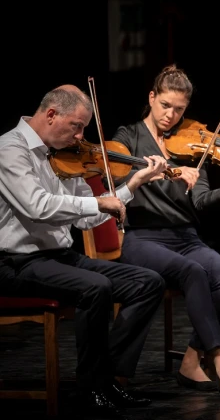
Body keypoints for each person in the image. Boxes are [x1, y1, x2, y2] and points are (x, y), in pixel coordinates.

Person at [0, 85, 169, 417]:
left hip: (60, 258)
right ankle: (89, 388)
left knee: (148, 283)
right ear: (51, 114)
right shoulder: (10, 149)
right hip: (16, 262)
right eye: (76, 126)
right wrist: (98, 202)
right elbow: (37, 207)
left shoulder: (65, 155)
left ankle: (108, 379)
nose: (80, 136)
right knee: (95, 287)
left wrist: (132, 184)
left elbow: (86, 219)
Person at [111, 64, 220, 398]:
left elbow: (203, 200)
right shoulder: (129, 136)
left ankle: (192, 358)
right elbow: (116, 178)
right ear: (152, 97)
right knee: (192, 271)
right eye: (165, 105)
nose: (171, 115)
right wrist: (161, 171)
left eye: (179, 109)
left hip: (185, 238)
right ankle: (218, 357)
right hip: (142, 237)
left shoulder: (192, 144)